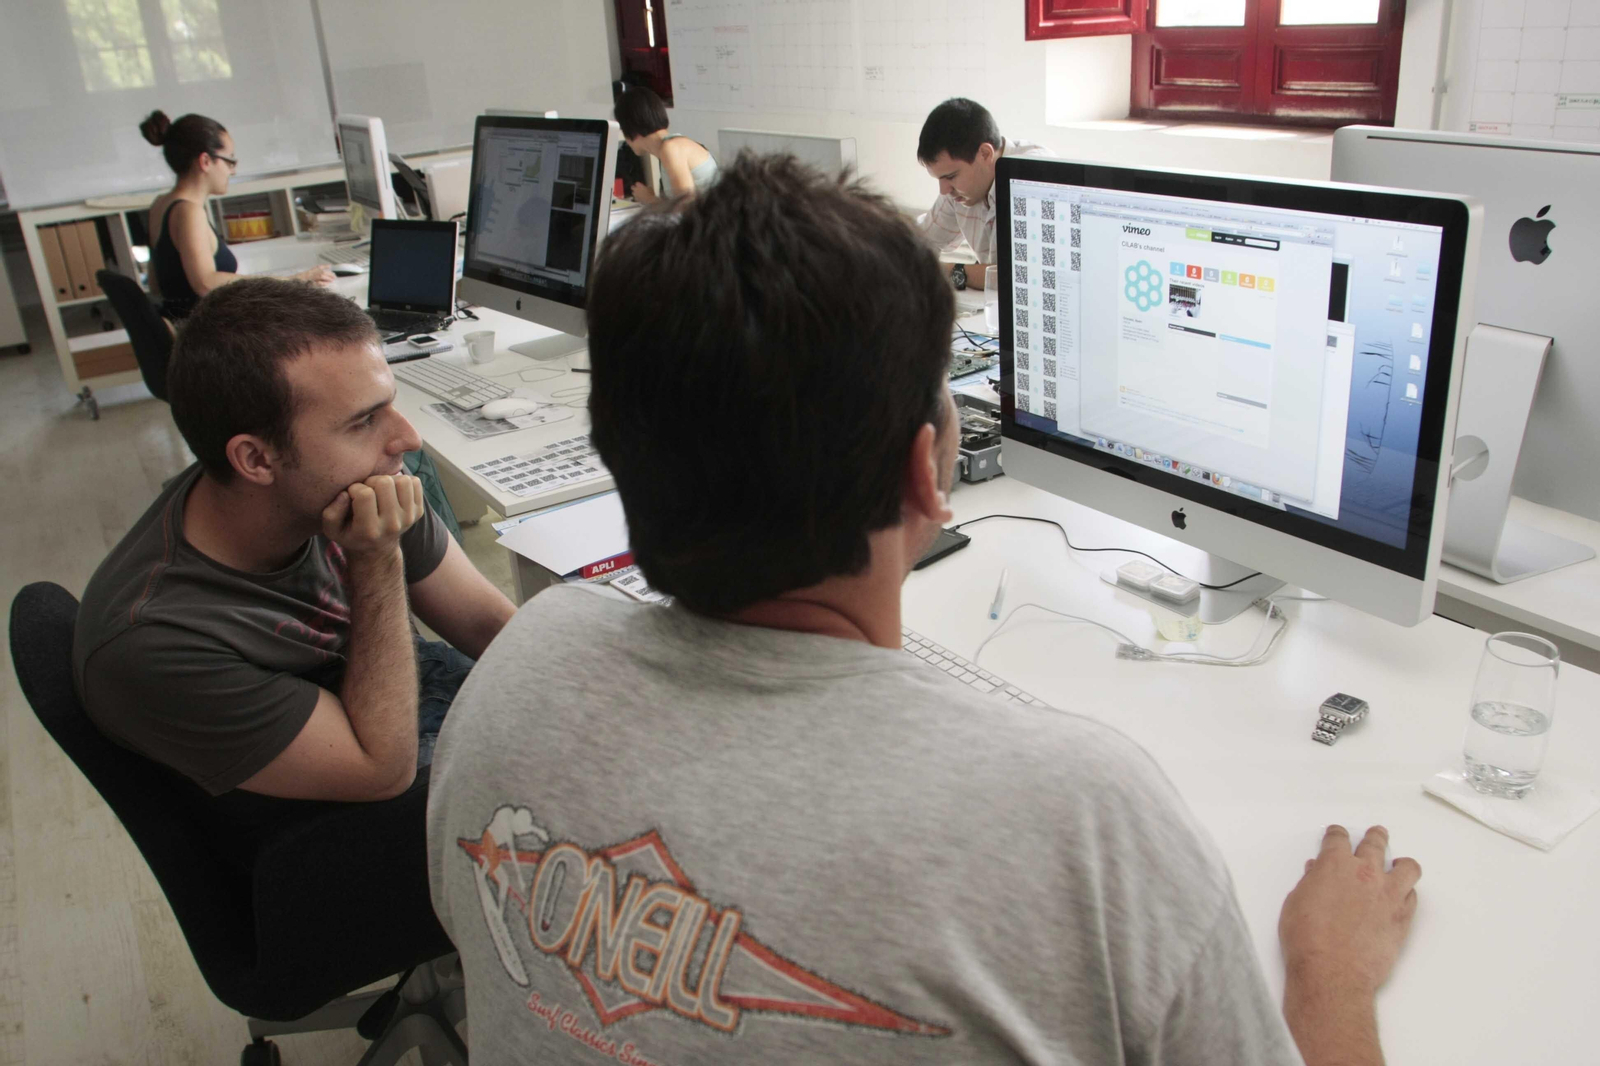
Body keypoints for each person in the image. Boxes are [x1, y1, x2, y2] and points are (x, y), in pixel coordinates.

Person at [426, 155, 1420, 1064]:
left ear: (619, 446)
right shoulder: (1077, 815)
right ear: (927, 464)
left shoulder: (522, 666)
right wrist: (1329, 975)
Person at [74, 279, 515, 836]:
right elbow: (381, 773)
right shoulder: (153, 639)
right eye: (363, 421)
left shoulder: (350, 483)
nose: (407, 439)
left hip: (390, 699)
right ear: (256, 459)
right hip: (333, 827)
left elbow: (485, 621)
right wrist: (374, 560)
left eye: (391, 407)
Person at [138, 110, 331, 320]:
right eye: (229, 160)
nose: (233, 170)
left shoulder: (160, 205)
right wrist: (293, 280)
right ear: (205, 161)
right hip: (204, 335)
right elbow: (205, 283)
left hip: (188, 327)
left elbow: (156, 285)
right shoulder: (188, 211)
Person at [916, 97, 1053, 292]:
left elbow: (1019, 276)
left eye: (951, 176)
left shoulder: (1032, 178)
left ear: (985, 154)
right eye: (939, 179)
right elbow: (921, 242)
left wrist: (948, 270)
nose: (944, 190)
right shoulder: (959, 189)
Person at [613, 85, 719, 203]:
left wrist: (650, 200)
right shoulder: (670, 147)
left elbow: (686, 207)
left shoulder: (671, 149)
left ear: (631, 129)